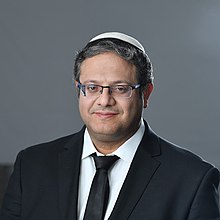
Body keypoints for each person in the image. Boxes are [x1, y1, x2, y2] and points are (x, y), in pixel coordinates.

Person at [0, 32, 219, 220]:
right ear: (79, 90)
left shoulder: (193, 180)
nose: (104, 100)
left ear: (146, 94)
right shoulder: (30, 166)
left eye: (121, 88)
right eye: (93, 87)